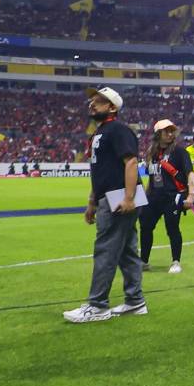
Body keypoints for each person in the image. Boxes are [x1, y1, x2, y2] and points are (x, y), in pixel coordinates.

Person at [63, 87, 147, 323]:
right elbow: (100, 171)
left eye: (98, 101)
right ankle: (135, 300)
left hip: (119, 196)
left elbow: (131, 162)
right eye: (91, 100)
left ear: (112, 107)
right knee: (127, 252)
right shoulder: (100, 132)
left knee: (106, 250)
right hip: (113, 195)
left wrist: (128, 198)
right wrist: (92, 202)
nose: (92, 104)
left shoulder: (118, 130)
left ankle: (98, 305)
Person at [139, 120, 194, 275]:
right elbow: (152, 177)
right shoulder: (151, 152)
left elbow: (190, 173)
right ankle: (143, 261)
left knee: (172, 229)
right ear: (158, 134)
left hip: (172, 197)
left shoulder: (179, 152)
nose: (170, 134)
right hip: (153, 197)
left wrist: (191, 195)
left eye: (172, 131)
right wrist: (145, 196)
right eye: (166, 131)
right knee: (145, 227)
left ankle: (176, 262)